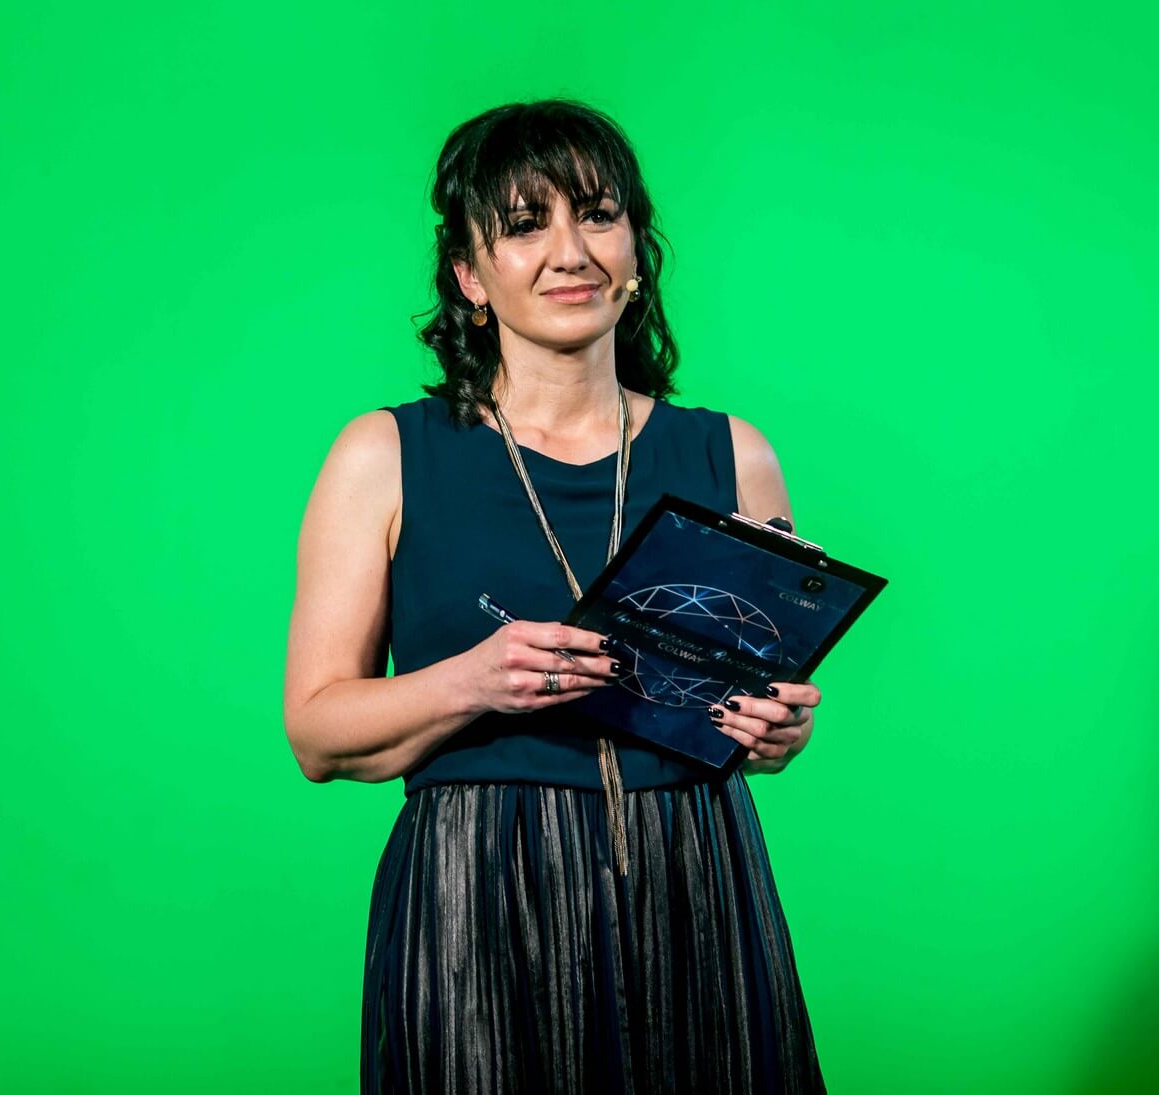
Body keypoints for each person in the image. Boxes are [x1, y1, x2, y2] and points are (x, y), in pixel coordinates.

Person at [282, 98, 829, 1094]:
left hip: (697, 877)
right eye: (526, 224)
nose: (570, 252)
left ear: (636, 251)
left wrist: (777, 730)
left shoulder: (732, 453)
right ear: (469, 274)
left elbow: (754, 705)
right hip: (477, 892)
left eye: (598, 214)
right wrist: (472, 680)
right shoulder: (383, 455)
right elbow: (318, 734)